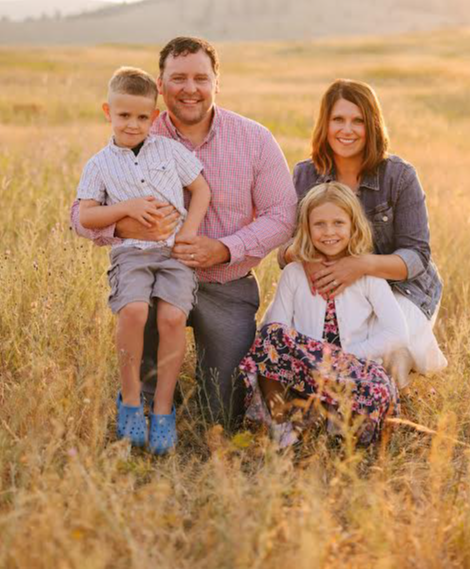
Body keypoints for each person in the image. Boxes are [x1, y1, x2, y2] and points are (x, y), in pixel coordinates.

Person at [71, 37, 298, 429]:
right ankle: (150, 405)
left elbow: (284, 214)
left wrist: (226, 249)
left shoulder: (254, 139)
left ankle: (207, 399)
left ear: (216, 83)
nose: (190, 89)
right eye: (178, 78)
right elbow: (80, 214)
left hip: (226, 284)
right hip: (155, 278)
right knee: (146, 381)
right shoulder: (137, 125)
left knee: (221, 416)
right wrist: (124, 224)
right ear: (160, 84)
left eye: (200, 78)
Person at [76, 66, 211, 454]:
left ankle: (164, 409)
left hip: (173, 253)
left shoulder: (169, 151)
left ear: (154, 116)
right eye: (123, 116)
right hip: (131, 255)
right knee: (134, 312)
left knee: (172, 318)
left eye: (141, 116)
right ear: (108, 112)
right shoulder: (99, 163)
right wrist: (127, 208)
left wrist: (189, 231)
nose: (132, 124)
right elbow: (86, 215)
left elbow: (201, 190)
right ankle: (132, 401)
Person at [280, 79, 448, 389]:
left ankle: (384, 407)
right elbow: (286, 250)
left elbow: (417, 257)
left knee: (391, 346)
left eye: (358, 120)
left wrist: (359, 265)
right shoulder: (305, 174)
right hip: (331, 284)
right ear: (325, 124)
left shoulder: (398, 175)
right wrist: (307, 257)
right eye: (338, 119)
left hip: (401, 287)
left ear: (372, 126)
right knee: (316, 340)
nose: (348, 130)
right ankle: (322, 402)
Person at [240, 182, 407, 449]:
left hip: (351, 369)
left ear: (354, 226)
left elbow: (398, 332)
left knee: (380, 386)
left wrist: (346, 358)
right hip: (306, 371)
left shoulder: (368, 277)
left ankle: (337, 428)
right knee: (270, 336)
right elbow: (276, 328)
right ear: (306, 229)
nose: (329, 232)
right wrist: (313, 361)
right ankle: (282, 425)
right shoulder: (295, 273)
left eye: (338, 223)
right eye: (319, 225)